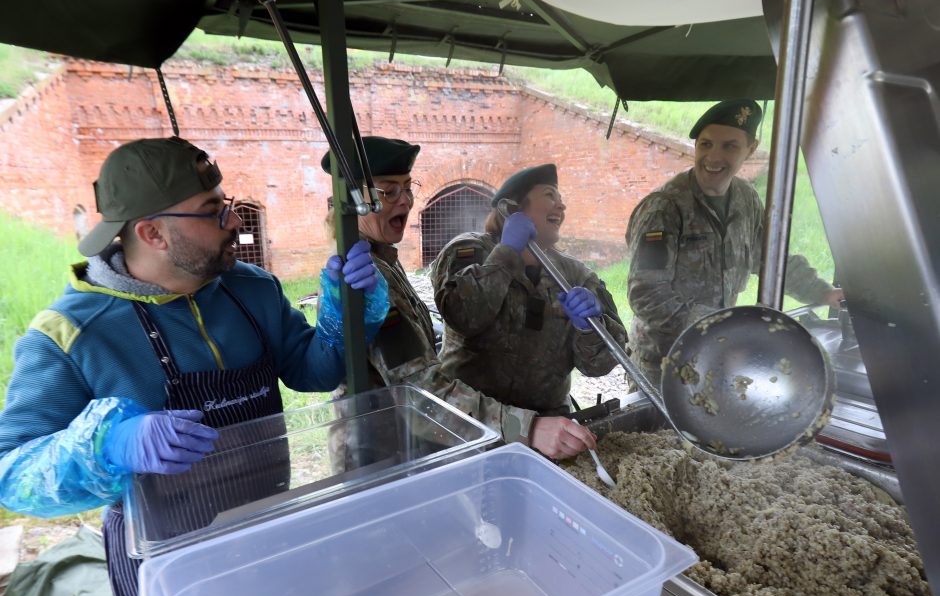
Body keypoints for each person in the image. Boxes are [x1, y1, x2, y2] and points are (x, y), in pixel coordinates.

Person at [0, 136, 385, 596]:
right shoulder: (70, 334)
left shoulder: (251, 290)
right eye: (212, 211)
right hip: (166, 561)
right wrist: (105, 444)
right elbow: (11, 473)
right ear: (152, 232)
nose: (234, 221)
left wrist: (346, 313)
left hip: (265, 525)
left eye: (226, 205)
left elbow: (314, 371)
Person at [321, 139, 596, 459]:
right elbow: (420, 394)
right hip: (375, 460)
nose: (406, 201)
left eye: (408, 188)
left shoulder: (383, 262)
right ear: (356, 202)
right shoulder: (362, 277)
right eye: (389, 191)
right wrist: (527, 429)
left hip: (405, 448)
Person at [625, 99, 844, 385]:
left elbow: (770, 259)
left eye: (729, 146)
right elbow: (647, 294)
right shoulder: (664, 208)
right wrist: (721, 330)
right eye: (705, 144)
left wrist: (823, 292)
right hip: (664, 363)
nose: (713, 157)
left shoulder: (746, 199)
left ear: (751, 149)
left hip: (718, 355)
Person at [431, 163, 628, 444]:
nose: (561, 208)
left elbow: (601, 365)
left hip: (548, 432)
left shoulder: (575, 275)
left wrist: (591, 330)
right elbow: (463, 315)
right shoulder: (469, 251)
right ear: (512, 208)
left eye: (562, 202)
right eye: (550, 196)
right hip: (470, 424)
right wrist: (508, 252)